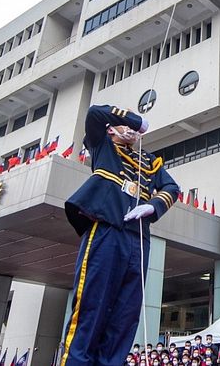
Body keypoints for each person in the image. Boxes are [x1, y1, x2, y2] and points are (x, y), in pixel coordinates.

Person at [58, 104, 181, 366]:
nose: (133, 131)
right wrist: (135, 120)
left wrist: (153, 206)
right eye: (125, 126)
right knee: (92, 305)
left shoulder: (148, 162)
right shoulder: (103, 146)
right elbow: (94, 113)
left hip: (138, 238)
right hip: (106, 231)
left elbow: (172, 187)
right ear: (111, 130)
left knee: (126, 313)